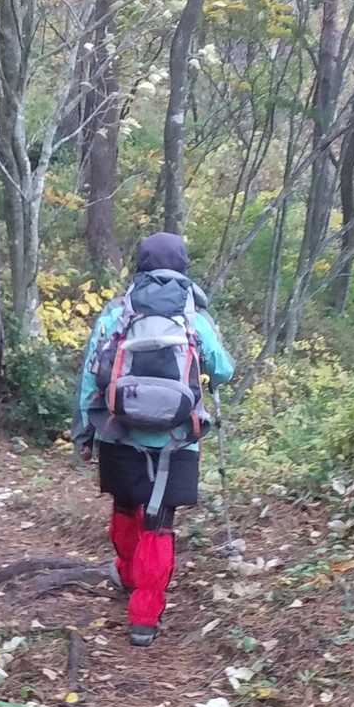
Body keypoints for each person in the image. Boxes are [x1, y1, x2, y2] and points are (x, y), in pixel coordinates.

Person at [73, 231, 234, 647]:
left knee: (126, 508)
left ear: (139, 267)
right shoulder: (195, 318)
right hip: (178, 439)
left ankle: (127, 574)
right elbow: (223, 371)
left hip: (119, 432)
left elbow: (90, 376)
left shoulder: (117, 313)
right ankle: (143, 620)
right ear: (183, 268)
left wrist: (84, 433)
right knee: (158, 524)